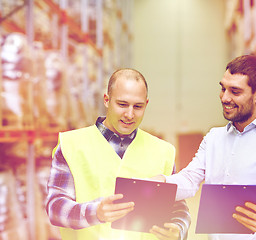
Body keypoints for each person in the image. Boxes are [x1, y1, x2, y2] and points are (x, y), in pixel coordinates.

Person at [153, 55, 256, 240]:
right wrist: (161, 183)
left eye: (235, 91)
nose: (225, 97)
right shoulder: (214, 138)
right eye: (223, 89)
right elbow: (189, 180)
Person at [46, 68, 191, 240]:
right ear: (107, 100)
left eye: (138, 106)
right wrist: (96, 212)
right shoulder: (72, 145)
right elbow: (55, 208)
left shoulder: (163, 151)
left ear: (146, 103)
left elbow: (179, 208)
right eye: (122, 104)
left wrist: (178, 228)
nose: (130, 114)